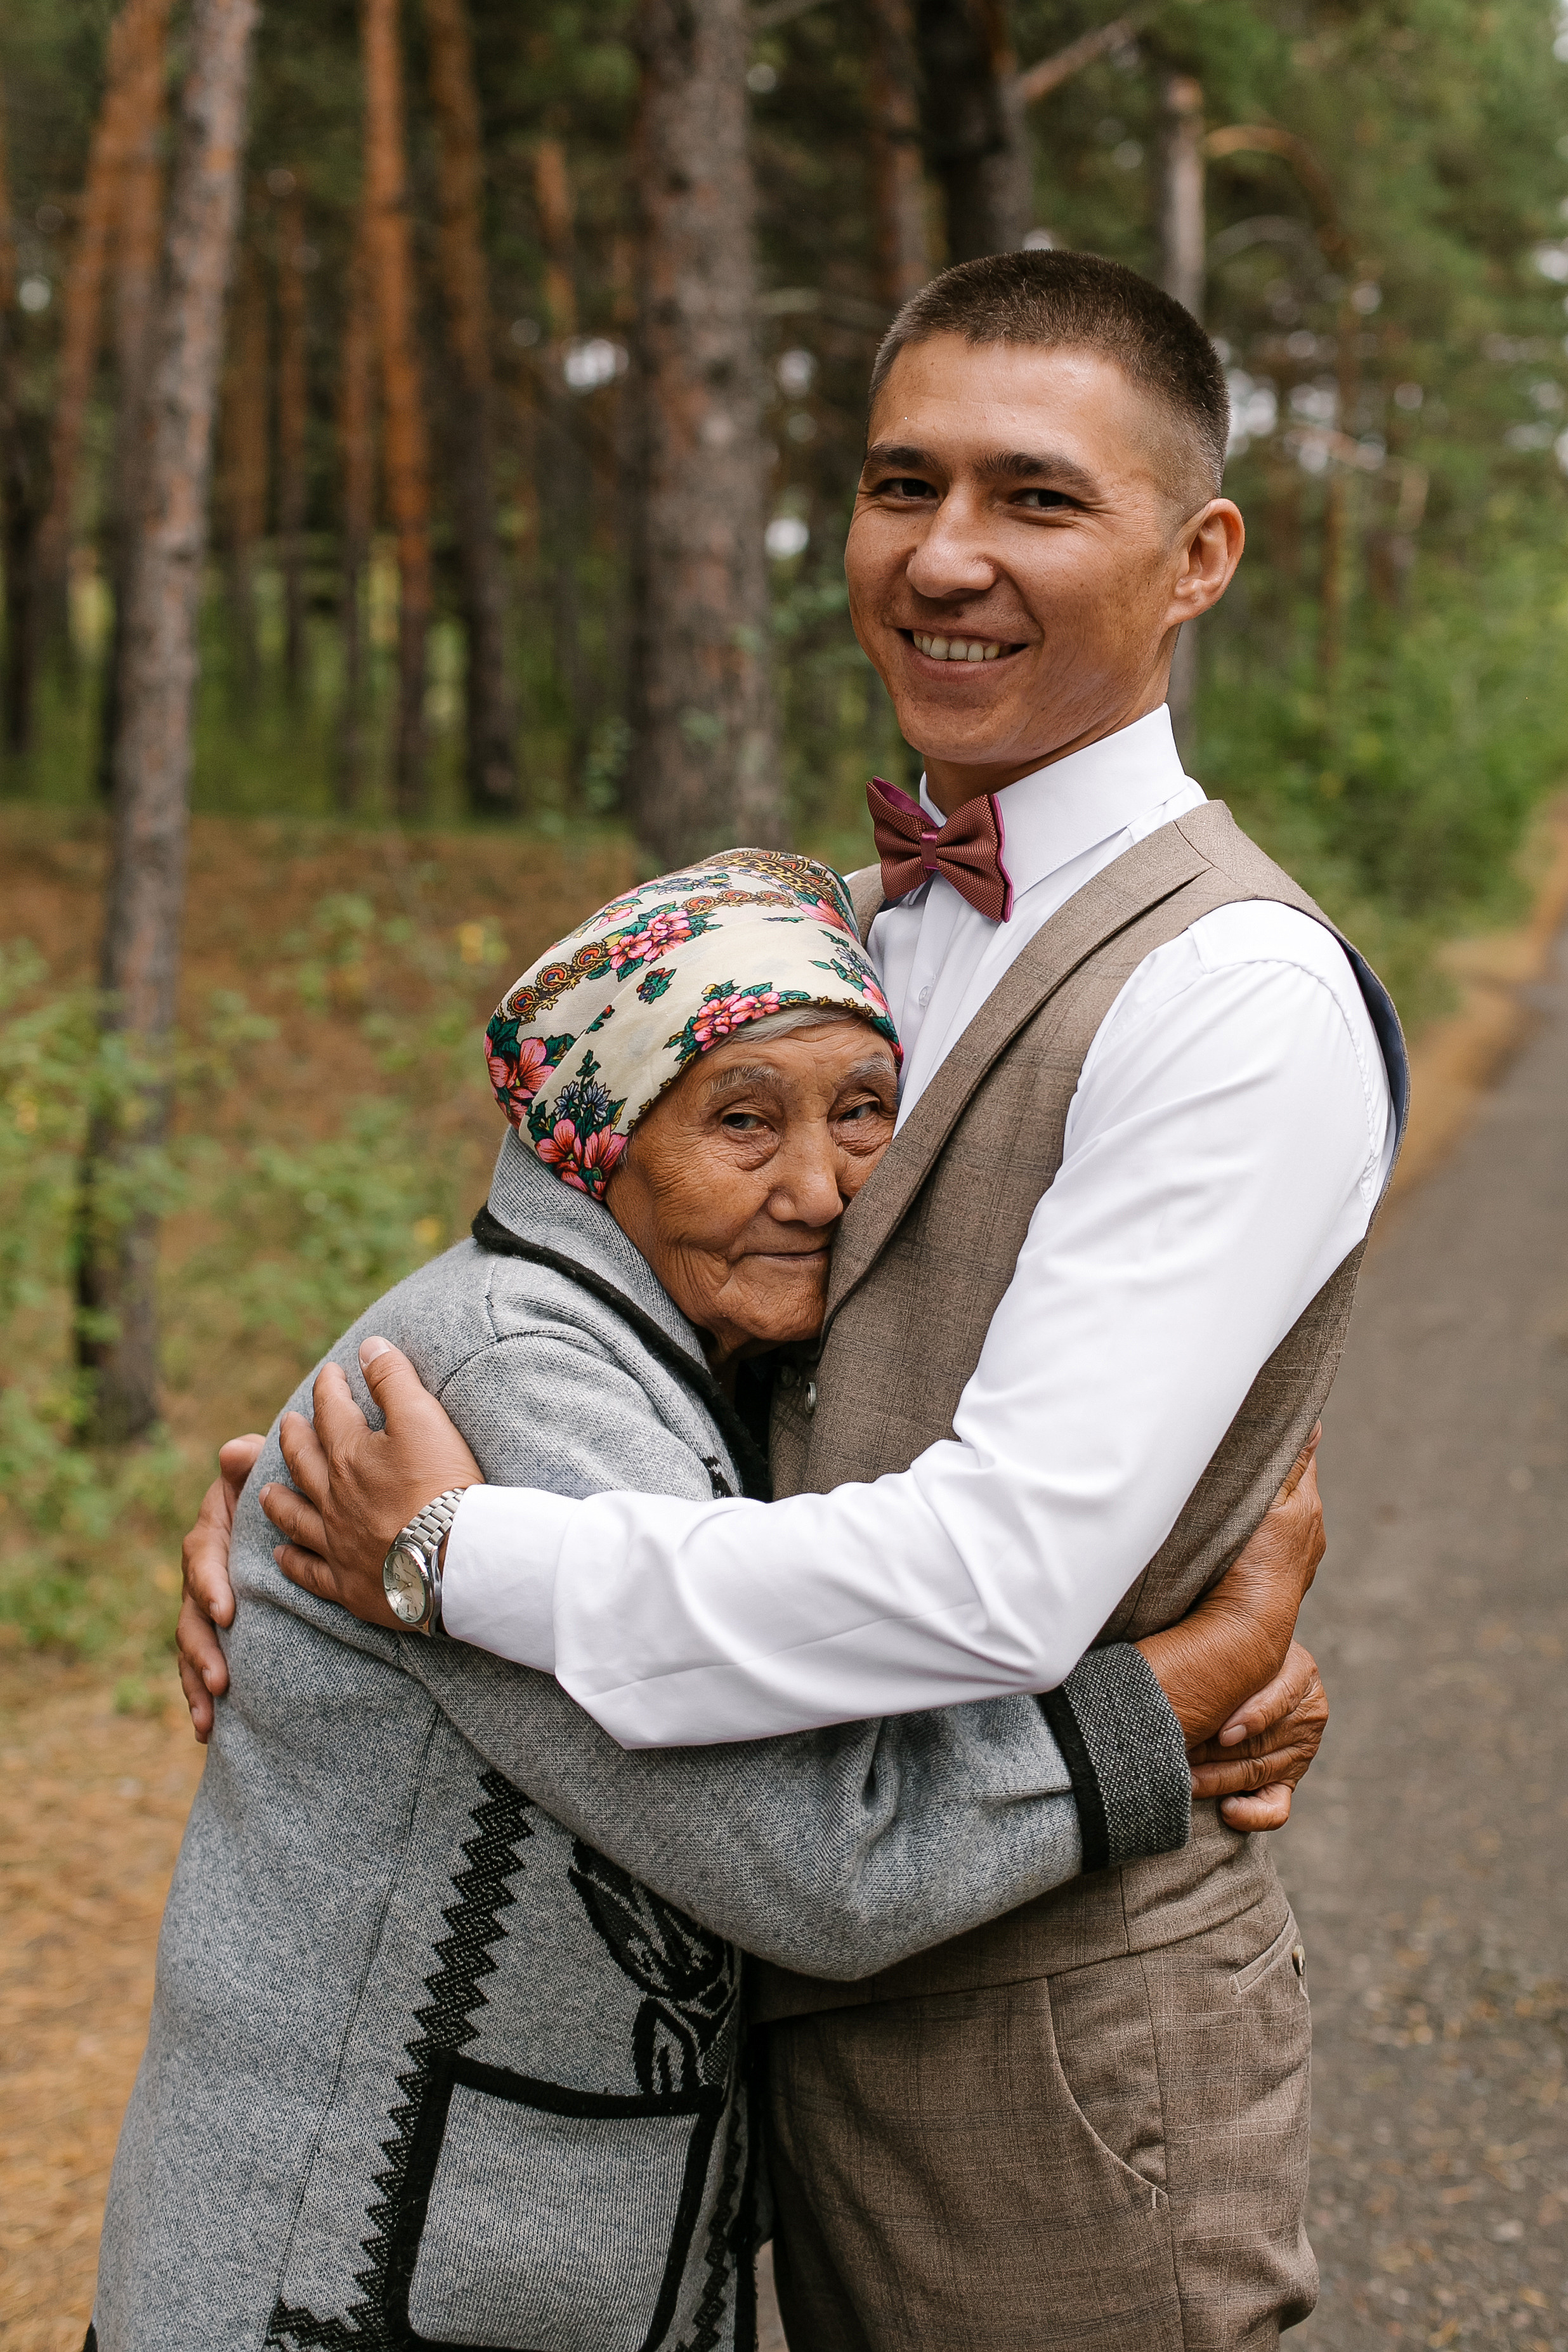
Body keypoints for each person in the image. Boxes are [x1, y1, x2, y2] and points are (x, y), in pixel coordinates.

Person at [225, 250, 1408, 2350]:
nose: (944, 554)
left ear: (1199, 556)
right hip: (742, 2001)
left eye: (1037, 497)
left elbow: (999, 1580)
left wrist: (446, 1557)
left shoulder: (1235, 989)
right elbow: (572, 1292)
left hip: (1052, 2042)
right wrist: (283, 1504)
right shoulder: (827, 927)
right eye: (899, 483)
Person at [95, 854, 1321, 2352]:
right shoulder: (514, 1383)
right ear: (597, 1142)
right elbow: (824, 1861)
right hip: (340, 2277)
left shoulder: (703, 1363)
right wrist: (1191, 1683)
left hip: (516, 2264)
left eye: (862, 1111)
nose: (819, 1188)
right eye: (743, 1121)